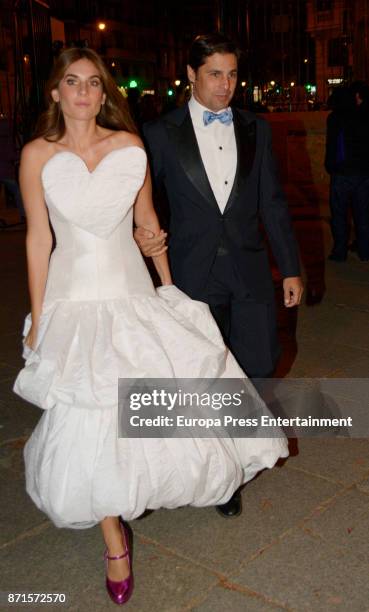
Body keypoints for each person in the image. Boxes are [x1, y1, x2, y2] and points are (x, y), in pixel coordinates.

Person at [13, 48, 289, 606]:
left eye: (93, 83)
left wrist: (168, 289)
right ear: (55, 92)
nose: (84, 93)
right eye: (72, 82)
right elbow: (38, 239)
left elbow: (148, 223)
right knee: (87, 413)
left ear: (104, 91)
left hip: (129, 292)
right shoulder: (36, 156)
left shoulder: (130, 148)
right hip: (72, 296)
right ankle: (113, 535)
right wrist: (40, 319)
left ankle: (131, 493)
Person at [135, 33, 303, 517]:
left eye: (232, 74)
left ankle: (243, 447)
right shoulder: (160, 134)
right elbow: (142, 203)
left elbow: (272, 201)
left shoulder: (257, 129)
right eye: (214, 74)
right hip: (193, 273)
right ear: (190, 75)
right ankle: (223, 474)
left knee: (257, 364)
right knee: (204, 376)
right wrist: (141, 241)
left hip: (250, 269)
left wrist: (290, 267)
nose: (226, 85)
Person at [325, 83, 369, 262]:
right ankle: (365, 251)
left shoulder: (334, 118)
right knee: (363, 215)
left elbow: (332, 146)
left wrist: (330, 167)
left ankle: (339, 251)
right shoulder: (364, 116)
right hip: (363, 174)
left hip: (341, 174)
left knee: (339, 216)